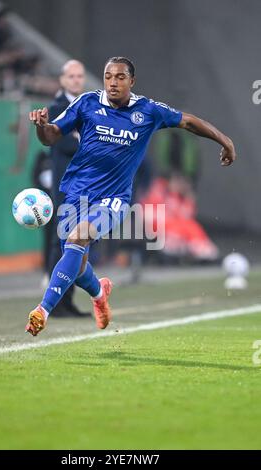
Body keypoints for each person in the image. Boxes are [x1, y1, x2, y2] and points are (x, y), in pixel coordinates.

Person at [26, 56, 236, 336]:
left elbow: (187, 122)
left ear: (131, 81)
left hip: (113, 198)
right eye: (108, 76)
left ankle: (42, 310)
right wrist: (41, 125)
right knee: (76, 264)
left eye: (120, 77)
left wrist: (225, 140)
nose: (113, 82)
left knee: (78, 238)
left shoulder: (148, 111)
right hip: (76, 192)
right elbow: (51, 136)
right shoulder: (86, 103)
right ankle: (99, 292)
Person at [47, 59, 90, 317]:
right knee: (61, 239)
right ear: (62, 80)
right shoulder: (56, 109)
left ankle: (68, 300)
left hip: (85, 184)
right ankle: (57, 302)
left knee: (78, 241)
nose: (76, 80)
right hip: (66, 184)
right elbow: (63, 145)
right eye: (71, 76)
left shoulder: (86, 107)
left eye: (79, 76)